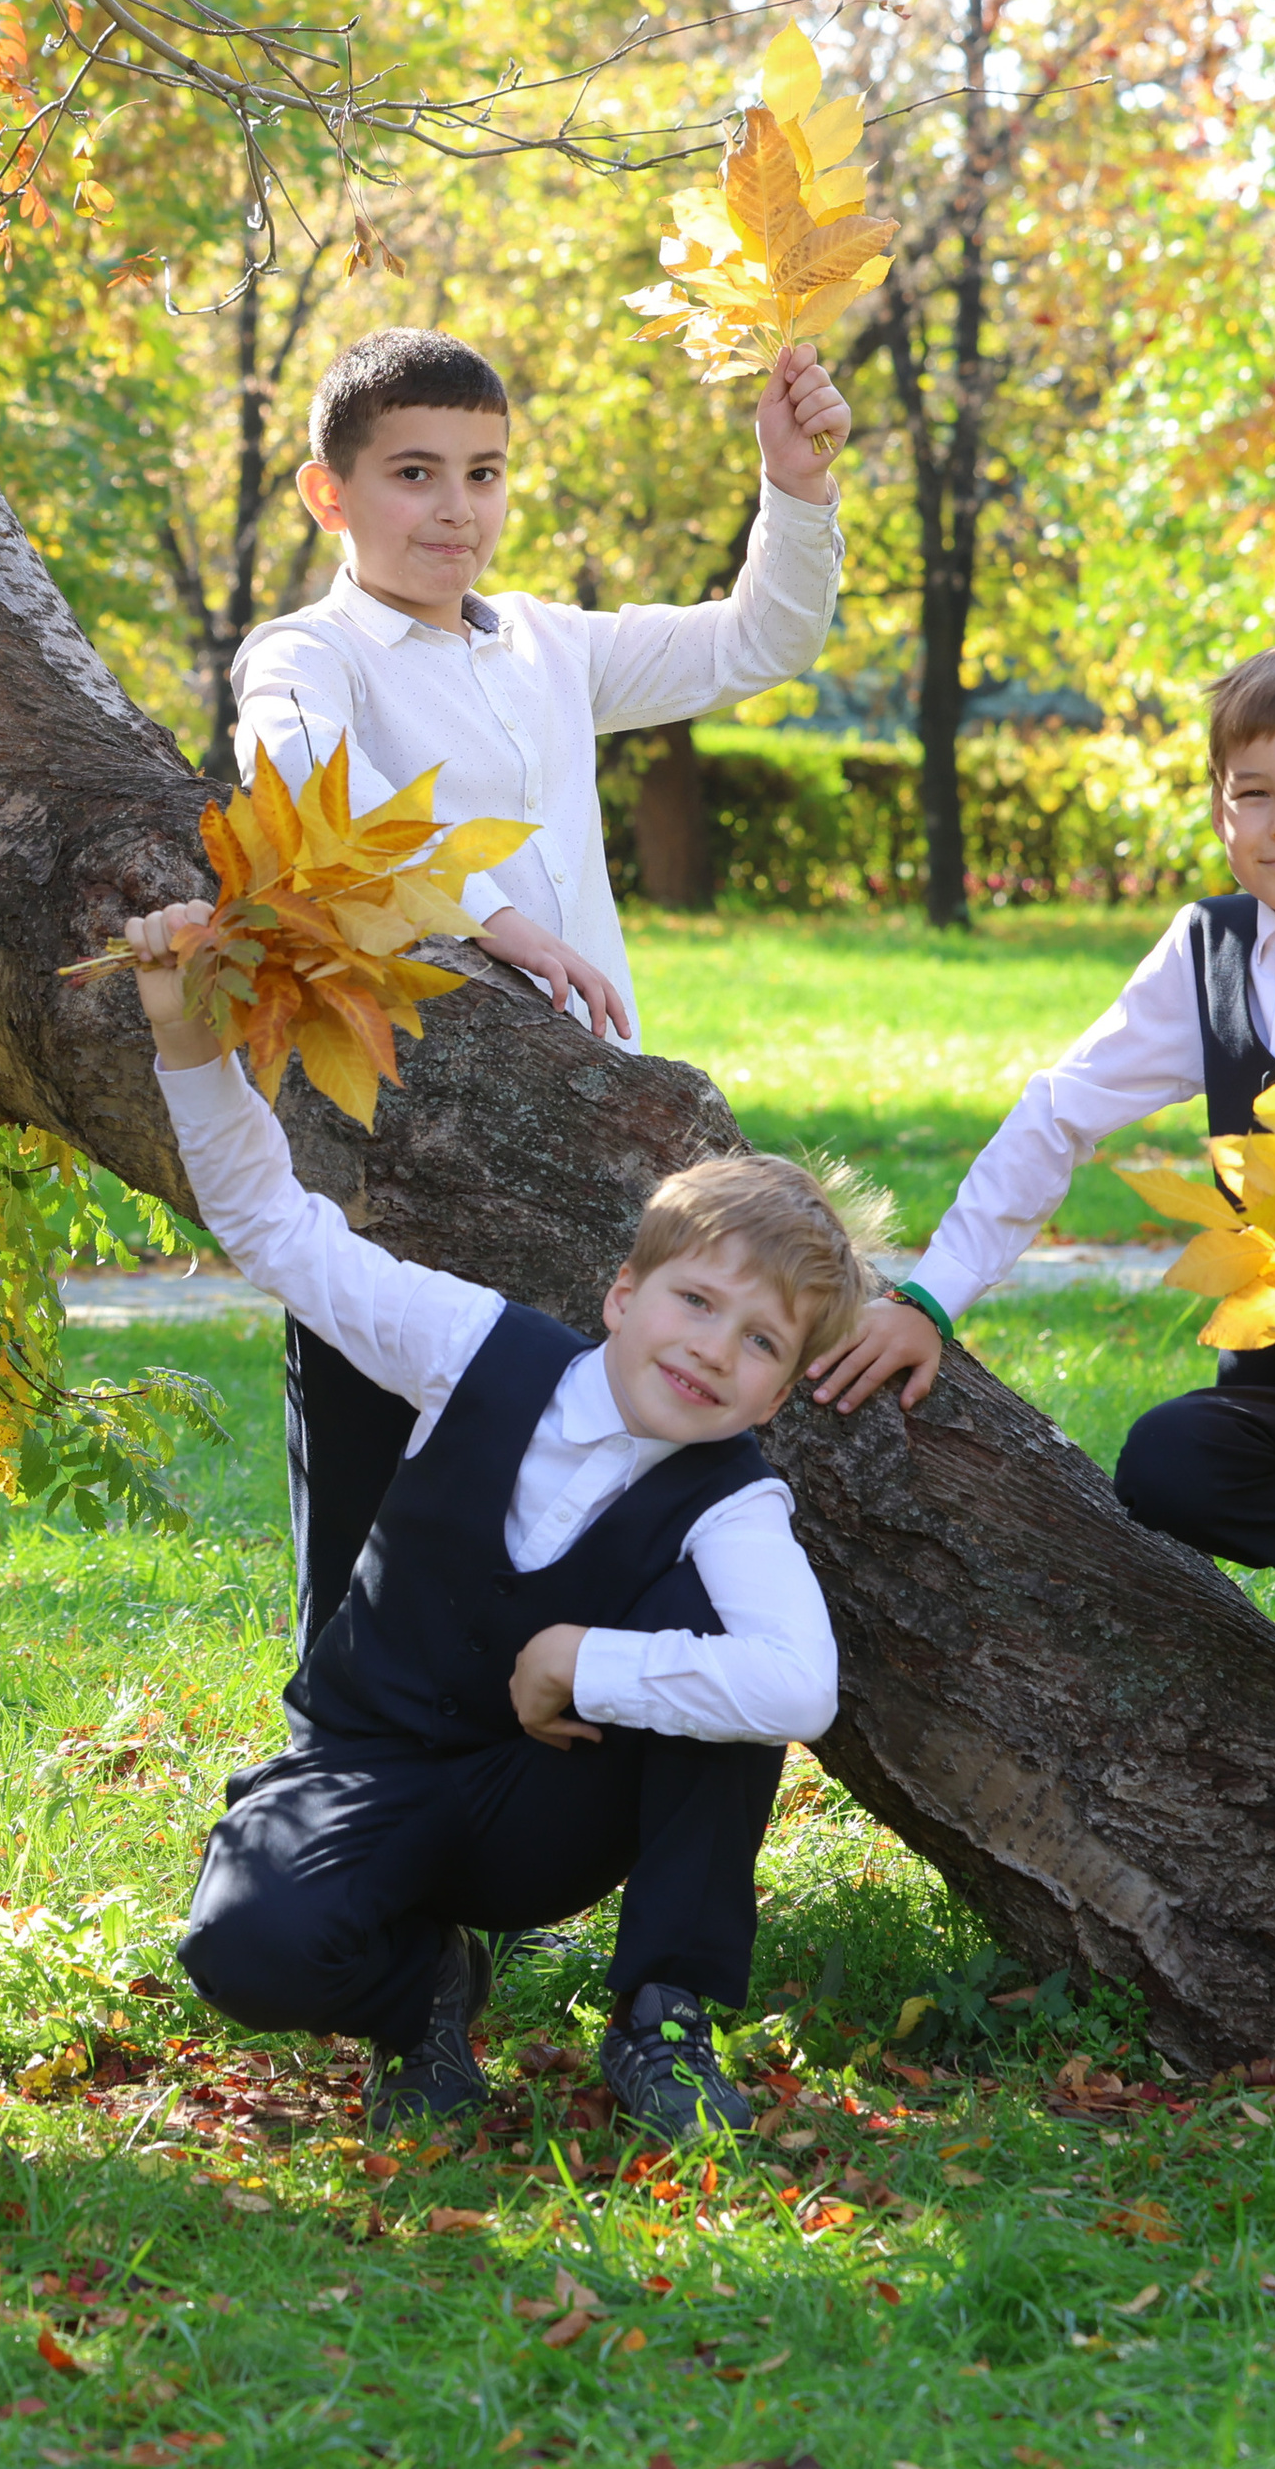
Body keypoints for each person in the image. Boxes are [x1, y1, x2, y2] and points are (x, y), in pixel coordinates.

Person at [122, 900, 870, 2136]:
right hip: (368, 1762)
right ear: (621, 1294)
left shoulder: (736, 1500)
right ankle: (419, 1988)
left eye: (758, 1342)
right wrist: (185, 1042)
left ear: (780, 1392)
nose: (709, 1350)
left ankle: (662, 2013)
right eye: (693, 1301)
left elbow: (800, 1686)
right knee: (244, 1948)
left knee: (724, 1652)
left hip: (546, 1813)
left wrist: (584, 1660)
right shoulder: (473, 1346)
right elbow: (274, 1230)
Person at [227, 325, 852, 1648]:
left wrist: (792, 486)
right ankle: (343, 1726)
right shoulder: (305, 654)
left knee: (560, 1467)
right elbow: (306, 793)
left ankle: (538, 1716)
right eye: (413, 473)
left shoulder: (544, 645)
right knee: (373, 1466)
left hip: (577, 1116)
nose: (455, 509)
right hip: (395, 1129)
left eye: (484, 473)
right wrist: (491, 920)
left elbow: (757, 642)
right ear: (328, 493)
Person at [813, 635, 1275, 1736]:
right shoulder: (1209, 952)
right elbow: (1060, 1111)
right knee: (1168, 1464)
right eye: (1255, 793)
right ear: (1221, 809)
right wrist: (931, 1295)